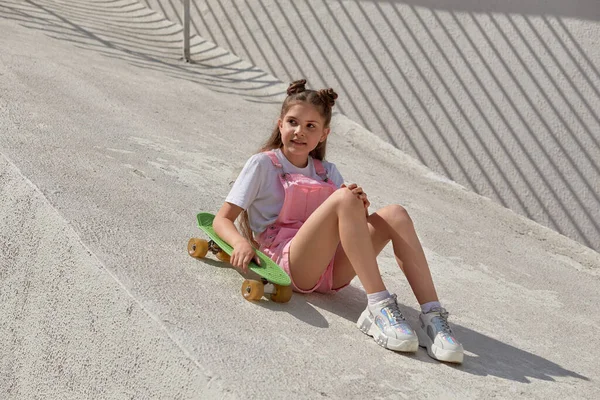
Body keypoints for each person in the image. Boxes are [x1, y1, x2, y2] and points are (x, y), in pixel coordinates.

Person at [213, 79, 464, 364]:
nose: (299, 131)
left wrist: (360, 210)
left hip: (332, 269)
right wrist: (239, 242)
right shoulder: (263, 164)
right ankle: (379, 306)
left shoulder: (326, 171)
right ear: (280, 124)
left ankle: (432, 319)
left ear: (323, 134)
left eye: (311, 126)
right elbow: (223, 219)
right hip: (289, 262)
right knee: (344, 198)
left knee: (396, 214)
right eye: (293, 122)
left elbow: (349, 233)